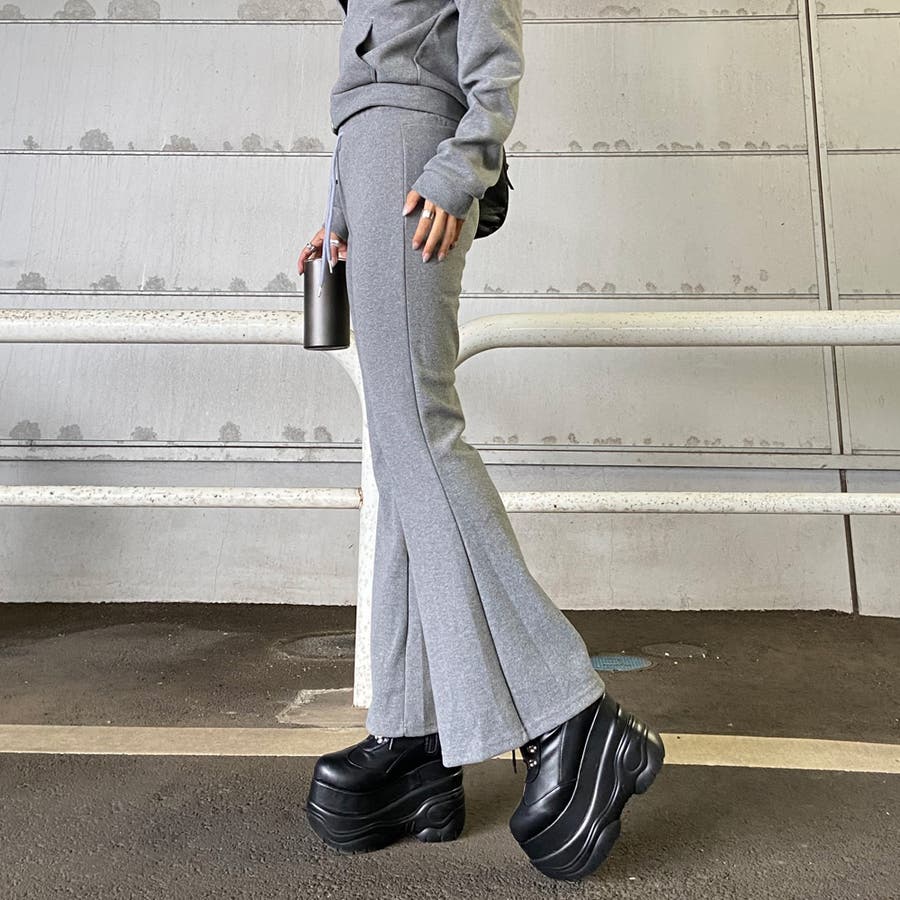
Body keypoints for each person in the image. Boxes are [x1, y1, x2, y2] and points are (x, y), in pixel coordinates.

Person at [297, 0, 664, 881]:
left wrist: (463, 164)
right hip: (370, 158)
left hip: (414, 157)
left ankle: (570, 713)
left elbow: (493, 55)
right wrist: (339, 204)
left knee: (421, 433)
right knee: (400, 452)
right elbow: (367, 66)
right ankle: (415, 736)